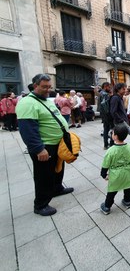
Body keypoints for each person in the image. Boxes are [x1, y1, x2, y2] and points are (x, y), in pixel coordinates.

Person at [16, 74, 74, 216]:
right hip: (44, 147)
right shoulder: (27, 103)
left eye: (49, 87)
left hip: (57, 144)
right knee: (44, 175)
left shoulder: (47, 100)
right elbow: (28, 130)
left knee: (58, 169)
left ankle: (56, 188)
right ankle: (41, 205)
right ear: (35, 86)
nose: (48, 89)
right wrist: (38, 149)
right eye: (44, 87)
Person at [100, 123, 130, 215]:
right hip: (127, 172)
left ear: (115, 136)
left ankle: (107, 207)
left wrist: (104, 174)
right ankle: (127, 201)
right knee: (128, 188)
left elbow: (105, 164)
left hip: (115, 175)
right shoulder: (129, 147)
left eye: (112, 133)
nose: (112, 134)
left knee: (112, 191)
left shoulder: (111, 150)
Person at [110, 83, 130, 153]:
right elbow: (113, 112)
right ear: (118, 89)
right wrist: (121, 120)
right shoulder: (115, 98)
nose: (125, 90)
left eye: (125, 89)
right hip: (121, 122)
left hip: (122, 121)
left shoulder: (119, 98)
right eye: (123, 89)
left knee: (120, 138)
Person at [98, 82, 113, 149]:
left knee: (106, 129)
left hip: (103, 114)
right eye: (109, 87)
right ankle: (110, 144)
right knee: (109, 128)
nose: (110, 88)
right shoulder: (105, 94)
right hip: (106, 114)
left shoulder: (101, 93)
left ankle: (106, 145)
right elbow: (106, 105)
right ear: (105, 86)